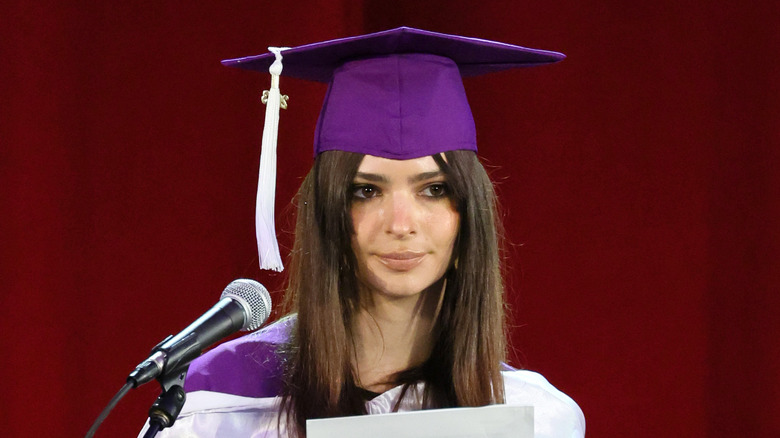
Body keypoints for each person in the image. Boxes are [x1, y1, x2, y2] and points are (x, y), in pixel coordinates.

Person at [145, 27, 585, 438]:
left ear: (468, 213)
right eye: (366, 190)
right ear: (327, 211)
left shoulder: (533, 417)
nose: (400, 223)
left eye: (434, 189)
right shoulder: (214, 403)